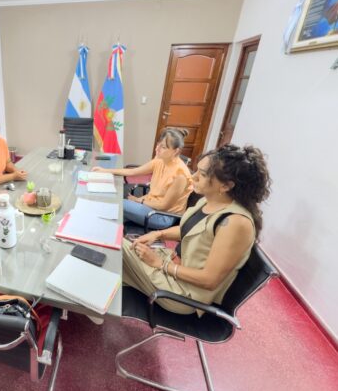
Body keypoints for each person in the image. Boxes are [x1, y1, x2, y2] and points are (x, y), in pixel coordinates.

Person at [122, 144, 271, 315]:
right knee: (118, 249)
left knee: (117, 246)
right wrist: (157, 234)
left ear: (226, 185)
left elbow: (209, 280)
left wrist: (160, 264)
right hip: (171, 268)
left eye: (203, 174)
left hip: (183, 294)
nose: (193, 176)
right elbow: (189, 230)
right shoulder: (209, 201)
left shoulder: (236, 223)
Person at [93, 128, 193, 230]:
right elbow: (133, 172)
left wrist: (139, 201)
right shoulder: (160, 160)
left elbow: (164, 206)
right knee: (112, 216)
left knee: (117, 205)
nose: (157, 149)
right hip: (149, 205)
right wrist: (105, 170)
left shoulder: (180, 175)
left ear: (176, 151)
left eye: (163, 147)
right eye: (158, 144)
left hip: (162, 215)